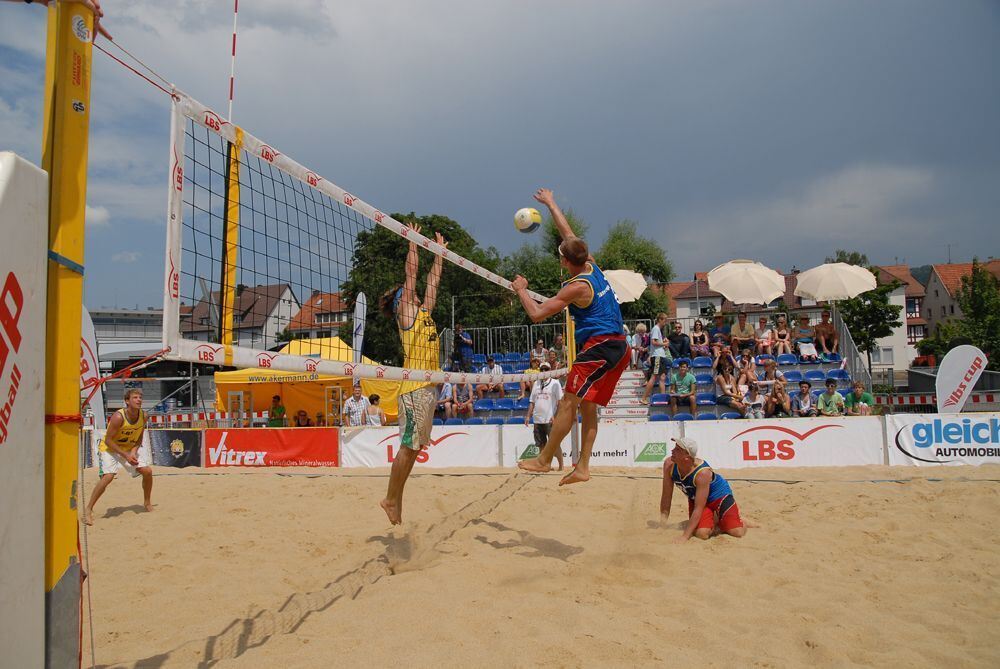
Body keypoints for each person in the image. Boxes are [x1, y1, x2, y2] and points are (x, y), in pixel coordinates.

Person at [513, 187, 630, 485]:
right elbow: (569, 236)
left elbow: (537, 314)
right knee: (588, 406)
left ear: (565, 262)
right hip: (618, 347)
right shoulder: (592, 265)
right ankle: (582, 467)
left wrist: (521, 290)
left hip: (601, 347)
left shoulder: (577, 286)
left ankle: (544, 459)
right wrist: (551, 204)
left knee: (568, 402)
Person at [378, 223, 447, 525]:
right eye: (409, 293)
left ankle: (395, 500)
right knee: (409, 446)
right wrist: (413, 243)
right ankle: (391, 498)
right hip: (414, 389)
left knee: (414, 447)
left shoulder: (423, 314)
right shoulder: (405, 314)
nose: (416, 293)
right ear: (401, 303)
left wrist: (441, 255)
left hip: (427, 390)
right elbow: (412, 275)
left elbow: (432, 282)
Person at [84, 389, 152, 525]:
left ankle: (147, 502)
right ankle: (88, 509)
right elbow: (108, 440)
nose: (139, 400)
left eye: (140, 397)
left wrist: (133, 452)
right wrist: (125, 455)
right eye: (135, 397)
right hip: (110, 449)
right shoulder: (118, 417)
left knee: (147, 471)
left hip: (127, 449)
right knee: (108, 476)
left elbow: (139, 437)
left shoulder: (144, 416)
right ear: (127, 401)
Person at [659, 437, 746, 542]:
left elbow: (698, 509)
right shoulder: (669, 464)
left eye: (677, 450)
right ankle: (718, 518)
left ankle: (738, 520)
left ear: (687, 456)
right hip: (698, 499)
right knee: (702, 534)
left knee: (737, 532)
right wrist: (662, 523)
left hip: (719, 495)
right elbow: (666, 496)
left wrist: (684, 537)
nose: (672, 451)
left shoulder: (703, 473)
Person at [524, 362, 564, 471]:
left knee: (554, 444)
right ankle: (545, 465)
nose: (543, 371)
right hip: (537, 419)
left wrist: (555, 416)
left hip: (550, 419)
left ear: (550, 370)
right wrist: (528, 416)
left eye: (546, 369)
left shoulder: (555, 383)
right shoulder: (536, 383)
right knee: (541, 445)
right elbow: (532, 402)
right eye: (541, 369)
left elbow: (560, 402)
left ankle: (561, 466)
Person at [640, 312, 671, 404]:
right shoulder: (656, 329)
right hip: (657, 356)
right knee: (654, 377)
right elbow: (653, 342)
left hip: (660, 355)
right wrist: (664, 344)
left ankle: (662, 398)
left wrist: (663, 344)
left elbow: (656, 343)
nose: (665, 323)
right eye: (664, 321)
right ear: (660, 320)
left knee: (662, 377)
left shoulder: (658, 330)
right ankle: (644, 398)